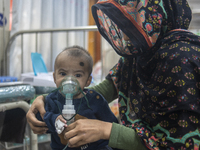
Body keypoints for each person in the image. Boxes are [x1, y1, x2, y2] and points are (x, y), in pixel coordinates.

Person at [26, 0, 200, 149]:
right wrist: (48, 100)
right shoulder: (139, 54)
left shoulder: (182, 59)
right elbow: (96, 93)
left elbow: (175, 143)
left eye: (129, 22)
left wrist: (106, 130)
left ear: (152, 15)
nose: (123, 33)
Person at [35, 45, 118, 150]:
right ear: (55, 78)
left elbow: (112, 126)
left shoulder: (95, 100)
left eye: (78, 75)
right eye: (63, 73)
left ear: (88, 80)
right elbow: (40, 121)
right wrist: (54, 119)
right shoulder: (52, 100)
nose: (69, 80)